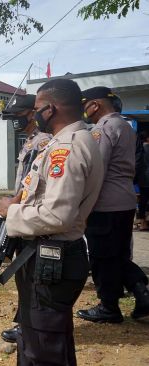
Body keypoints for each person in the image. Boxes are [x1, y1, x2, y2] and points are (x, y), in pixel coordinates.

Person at [0, 79, 104, 365]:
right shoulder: (68, 141)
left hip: (52, 256)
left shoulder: (66, 148)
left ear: (50, 109)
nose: (33, 116)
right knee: (48, 340)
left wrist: (11, 212)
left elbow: (57, 215)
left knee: (42, 347)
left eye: (36, 109)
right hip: (51, 255)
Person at [76, 87, 149, 323]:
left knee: (102, 256)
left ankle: (109, 307)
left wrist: (84, 207)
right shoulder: (125, 126)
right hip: (125, 200)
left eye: (85, 104)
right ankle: (142, 293)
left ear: (95, 105)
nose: (84, 110)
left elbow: (96, 170)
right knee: (117, 254)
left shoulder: (102, 129)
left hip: (104, 202)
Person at [0, 94, 52, 344]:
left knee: (30, 274)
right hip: (23, 212)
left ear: (32, 113)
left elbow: (32, 183)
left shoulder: (43, 142)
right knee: (23, 274)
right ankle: (26, 323)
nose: (14, 122)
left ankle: (30, 327)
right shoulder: (31, 140)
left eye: (17, 116)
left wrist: (14, 204)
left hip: (31, 216)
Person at [136, 130, 149, 231]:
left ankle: (142, 223)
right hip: (147, 179)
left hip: (142, 179)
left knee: (143, 201)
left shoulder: (139, 148)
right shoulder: (147, 148)